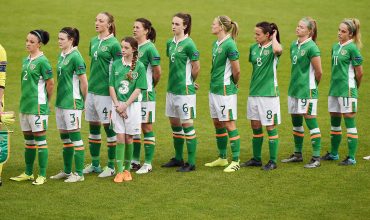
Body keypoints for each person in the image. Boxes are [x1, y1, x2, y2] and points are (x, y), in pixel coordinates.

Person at [10, 29, 54, 185]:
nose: (28, 44)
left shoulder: (43, 61)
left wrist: (47, 102)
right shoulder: (25, 60)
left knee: (40, 141)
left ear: (39, 44)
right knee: (28, 142)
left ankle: (42, 175)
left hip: (37, 107)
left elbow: (50, 84)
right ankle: (28, 173)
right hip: (25, 106)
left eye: (32, 42)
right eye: (27, 40)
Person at [83, 12, 122, 177]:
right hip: (92, 91)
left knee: (109, 129)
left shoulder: (114, 44)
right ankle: (95, 164)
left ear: (110, 24)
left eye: (101, 21)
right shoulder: (93, 41)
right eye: (96, 20)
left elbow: (119, 69)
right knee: (93, 128)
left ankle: (111, 166)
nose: (97, 23)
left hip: (106, 93)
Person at [281, 17, 323, 168]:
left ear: (309, 31)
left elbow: (319, 72)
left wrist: (312, 87)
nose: (298, 28)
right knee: (296, 122)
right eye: (297, 26)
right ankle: (297, 154)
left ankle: (316, 157)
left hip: (307, 92)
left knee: (311, 121)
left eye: (302, 27)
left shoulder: (312, 47)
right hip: (294, 90)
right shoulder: (294, 45)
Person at [161, 13, 200, 172]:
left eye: (177, 24)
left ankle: (191, 162)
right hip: (171, 90)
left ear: (185, 26)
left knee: (187, 125)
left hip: (184, 92)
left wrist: (190, 81)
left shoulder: (190, 44)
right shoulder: (170, 43)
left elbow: (196, 67)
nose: (173, 26)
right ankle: (178, 158)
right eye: (172, 23)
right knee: (175, 125)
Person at [241, 22, 282, 171]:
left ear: (267, 35)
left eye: (258, 34)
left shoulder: (273, 48)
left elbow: (278, 49)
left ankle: (272, 161)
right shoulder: (253, 48)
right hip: (254, 93)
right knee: (255, 126)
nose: (255, 36)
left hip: (269, 94)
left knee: (270, 126)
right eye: (255, 33)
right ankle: (257, 159)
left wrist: (275, 37)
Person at [321, 19, 363, 165]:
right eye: (339, 30)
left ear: (350, 34)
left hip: (347, 90)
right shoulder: (335, 47)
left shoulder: (353, 49)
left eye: (343, 31)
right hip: (334, 90)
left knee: (349, 122)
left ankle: (351, 157)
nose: (339, 33)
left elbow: (360, 73)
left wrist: (354, 89)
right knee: (335, 122)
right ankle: (334, 154)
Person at [49, 27, 88, 182]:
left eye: (62, 39)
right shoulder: (62, 55)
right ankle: (66, 171)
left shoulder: (76, 57)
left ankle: (79, 174)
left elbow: (84, 82)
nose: (59, 41)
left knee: (76, 139)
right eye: (58, 38)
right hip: (61, 103)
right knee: (65, 140)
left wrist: (85, 102)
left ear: (71, 40)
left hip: (72, 103)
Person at [204, 15, 241, 172]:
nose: (211, 26)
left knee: (229, 123)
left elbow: (237, 70)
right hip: (214, 89)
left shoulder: (230, 45)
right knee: (217, 123)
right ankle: (222, 157)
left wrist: (233, 83)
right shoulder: (216, 43)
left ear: (221, 27)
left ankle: (236, 160)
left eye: (214, 24)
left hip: (225, 90)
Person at [110, 37, 147, 182]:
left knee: (129, 137)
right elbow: (111, 86)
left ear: (133, 49)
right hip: (117, 105)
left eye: (126, 48)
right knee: (119, 137)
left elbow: (138, 89)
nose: (122, 50)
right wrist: (118, 105)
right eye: (122, 47)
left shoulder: (140, 66)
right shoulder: (116, 64)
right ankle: (119, 171)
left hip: (132, 106)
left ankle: (127, 170)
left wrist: (125, 105)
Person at [131, 18, 161, 174]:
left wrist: (150, 87)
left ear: (146, 31)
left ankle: (148, 163)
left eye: (137, 27)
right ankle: (135, 161)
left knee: (146, 127)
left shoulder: (150, 48)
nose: (134, 29)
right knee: (135, 127)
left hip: (146, 95)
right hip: (134, 95)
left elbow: (158, 72)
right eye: (133, 27)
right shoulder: (134, 47)